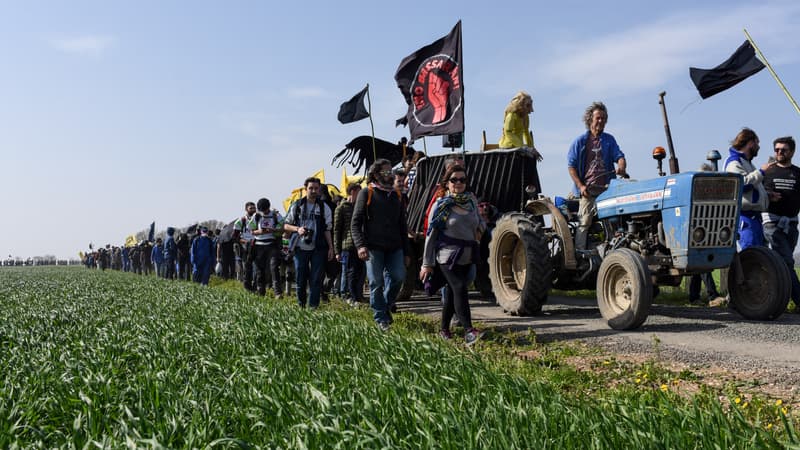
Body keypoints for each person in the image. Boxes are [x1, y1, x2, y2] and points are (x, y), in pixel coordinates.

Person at [419, 165, 486, 344]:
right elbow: (431, 235)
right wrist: (427, 263)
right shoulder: (441, 205)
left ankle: (443, 330)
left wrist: (481, 228)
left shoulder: (471, 201)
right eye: (454, 180)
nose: (458, 183)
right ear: (447, 183)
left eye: (462, 180)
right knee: (459, 288)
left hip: (467, 255)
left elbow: (480, 222)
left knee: (451, 293)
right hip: (446, 256)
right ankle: (469, 331)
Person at [351, 159, 410, 330]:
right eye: (385, 172)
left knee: (399, 277)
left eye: (391, 172)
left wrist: (406, 252)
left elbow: (402, 225)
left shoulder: (396, 195)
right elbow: (355, 222)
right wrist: (360, 245)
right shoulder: (366, 193)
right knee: (376, 281)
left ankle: (385, 305)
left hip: (395, 246)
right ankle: (380, 318)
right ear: (376, 175)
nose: (390, 175)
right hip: (373, 247)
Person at [567, 101, 627, 250]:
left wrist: (621, 166)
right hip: (588, 190)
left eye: (603, 118)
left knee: (614, 221)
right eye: (598, 118)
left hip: (607, 190)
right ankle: (580, 254)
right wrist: (581, 186)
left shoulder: (609, 140)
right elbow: (571, 166)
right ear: (590, 120)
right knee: (584, 222)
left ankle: (614, 252)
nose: (601, 121)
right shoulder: (580, 142)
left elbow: (619, 156)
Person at [284, 177, 334, 308]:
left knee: (316, 279)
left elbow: (327, 229)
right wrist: (298, 229)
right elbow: (285, 225)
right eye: (310, 188)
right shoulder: (297, 205)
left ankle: (313, 307)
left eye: (316, 188)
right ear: (305, 189)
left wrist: (331, 247)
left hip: (318, 247)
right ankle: (301, 305)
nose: (313, 191)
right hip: (300, 247)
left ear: (319, 190)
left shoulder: (324, 207)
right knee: (301, 278)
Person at [762, 136, 800, 310]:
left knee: (781, 265)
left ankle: (774, 300)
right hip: (772, 223)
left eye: (783, 150)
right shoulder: (768, 171)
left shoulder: (798, 173)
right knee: (787, 262)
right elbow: (757, 191)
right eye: (776, 150)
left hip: (791, 225)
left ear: (791, 152)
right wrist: (769, 195)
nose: (779, 153)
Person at [724, 128, 774, 250]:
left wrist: (767, 196)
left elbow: (752, 189)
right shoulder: (734, 162)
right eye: (758, 143)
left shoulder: (746, 163)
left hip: (754, 219)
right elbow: (741, 184)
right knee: (750, 257)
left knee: (758, 257)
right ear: (751, 143)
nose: (759, 147)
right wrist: (761, 172)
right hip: (745, 218)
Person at [688, 163, 724, 305]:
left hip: (706, 231)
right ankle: (712, 296)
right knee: (701, 264)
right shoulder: (696, 193)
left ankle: (694, 297)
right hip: (697, 231)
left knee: (699, 265)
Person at [334, 182, 365, 304]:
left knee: (361, 272)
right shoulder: (341, 208)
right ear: (352, 192)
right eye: (359, 192)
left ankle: (358, 295)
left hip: (360, 244)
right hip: (347, 245)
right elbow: (337, 230)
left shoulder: (360, 207)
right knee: (350, 272)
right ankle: (349, 296)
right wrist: (337, 251)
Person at [251, 197, 284, 297]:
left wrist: (273, 230)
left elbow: (282, 227)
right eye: (262, 211)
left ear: (268, 207)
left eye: (265, 210)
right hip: (259, 245)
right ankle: (261, 291)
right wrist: (260, 231)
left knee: (274, 267)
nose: (264, 213)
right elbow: (252, 231)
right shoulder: (256, 216)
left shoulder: (276, 215)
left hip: (272, 244)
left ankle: (278, 292)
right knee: (260, 269)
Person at [233, 202, 258, 291]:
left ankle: (255, 287)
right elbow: (235, 237)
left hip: (257, 246)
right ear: (246, 209)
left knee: (257, 268)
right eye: (251, 208)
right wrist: (245, 241)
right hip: (245, 248)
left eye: (254, 208)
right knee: (247, 269)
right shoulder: (241, 220)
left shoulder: (258, 219)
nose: (253, 210)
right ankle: (247, 288)